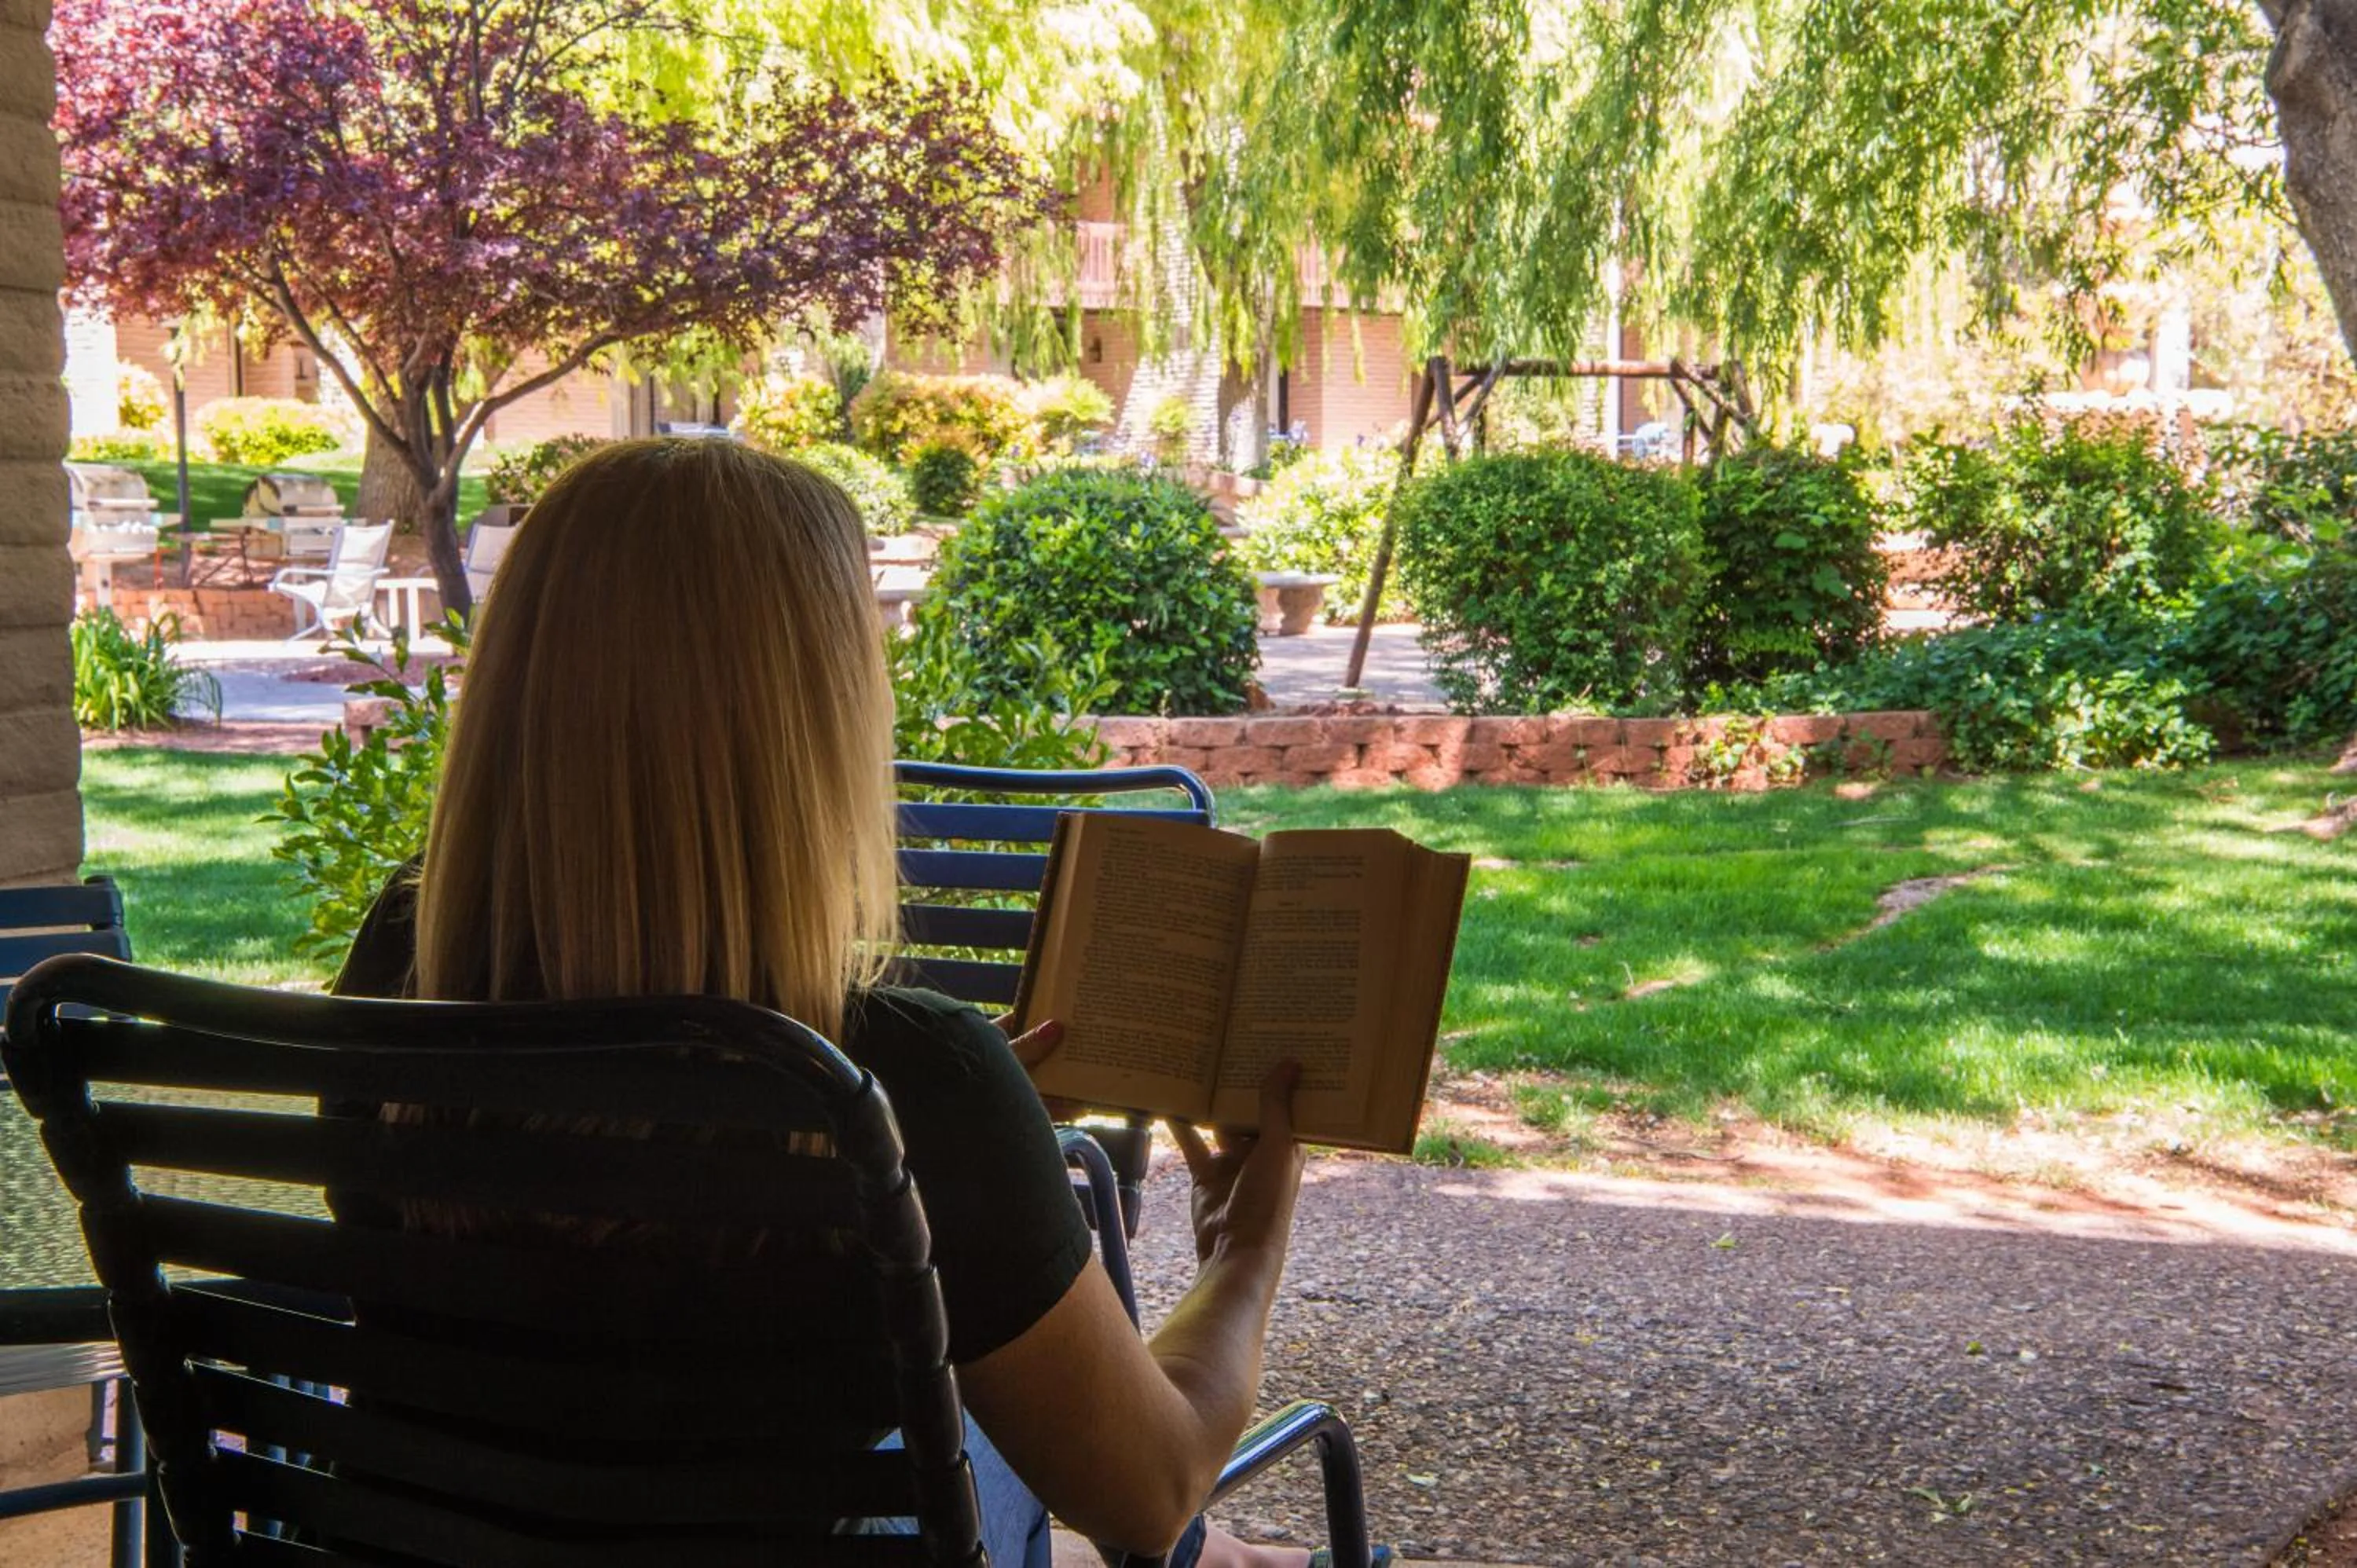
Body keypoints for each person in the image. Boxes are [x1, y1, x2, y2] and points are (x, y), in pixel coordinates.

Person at [334, 438, 1318, 1567]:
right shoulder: (911, 1078)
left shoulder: (398, 972)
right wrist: (1245, 1244)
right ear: (812, 725)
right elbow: (1149, 1495)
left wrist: (931, 1148)